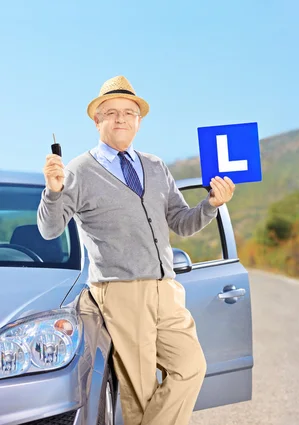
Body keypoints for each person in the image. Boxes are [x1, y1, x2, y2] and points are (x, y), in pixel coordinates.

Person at [37, 75, 235, 425]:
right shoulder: (78, 171)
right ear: (97, 120)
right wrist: (53, 192)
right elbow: (50, 229)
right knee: (139, 393)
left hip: (166, 291)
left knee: (191, 367)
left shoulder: (156, 166)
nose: (121, 119)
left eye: (129, 112)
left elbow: (181, 221)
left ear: (138, 121)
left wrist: (210, 205)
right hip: (121, 292)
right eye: (111, 112)